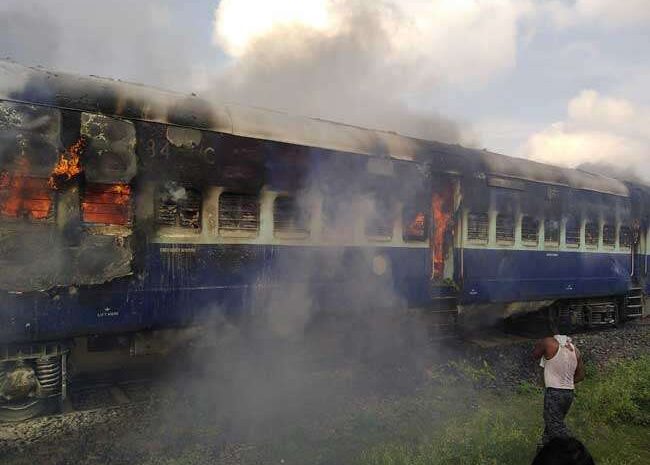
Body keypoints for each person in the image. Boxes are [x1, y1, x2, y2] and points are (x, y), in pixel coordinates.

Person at [532, 333, 585, 445]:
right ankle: (543, 453)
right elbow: (581, 376)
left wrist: (538, 345)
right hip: (568, 394)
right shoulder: (575, 350)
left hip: (554, 392)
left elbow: (535, 355)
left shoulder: (548, 342)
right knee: (550, 429)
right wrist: (566, 381)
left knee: (555, 426)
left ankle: (575, 450)